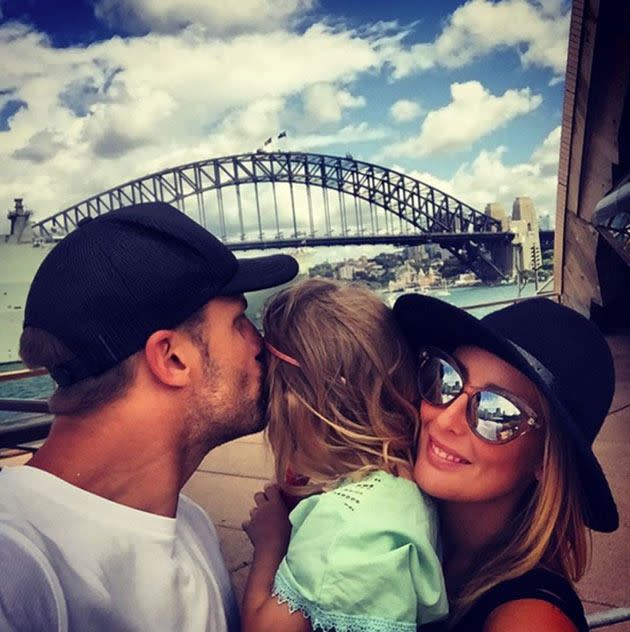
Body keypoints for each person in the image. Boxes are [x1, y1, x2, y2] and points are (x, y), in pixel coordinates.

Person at [0, 201, 298, 631]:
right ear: (172, 358)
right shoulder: (17, 567)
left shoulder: (190, 523)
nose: (261, 341)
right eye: (239, 321)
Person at [393, 294, 619, 632]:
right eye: (445, 379)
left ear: (545, 460)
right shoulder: (395, 533)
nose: (445, 419)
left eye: (495, 412)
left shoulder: (530, 620)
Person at [241, 279, 448, 632]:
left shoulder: (342, 526)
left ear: (297, 409)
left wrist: (270, 542)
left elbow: (263, 627)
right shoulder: (401, 486)